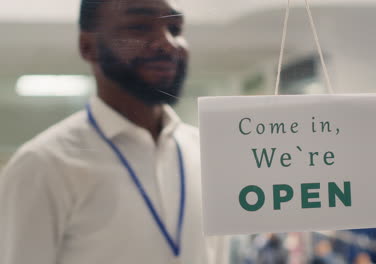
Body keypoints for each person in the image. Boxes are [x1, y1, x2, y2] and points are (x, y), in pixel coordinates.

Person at [0, 0, 227, 263]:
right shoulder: (43, 165)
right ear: (88, 47)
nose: (168, 43)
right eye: (140, 27)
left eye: (175, 29)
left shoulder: (206, 151)